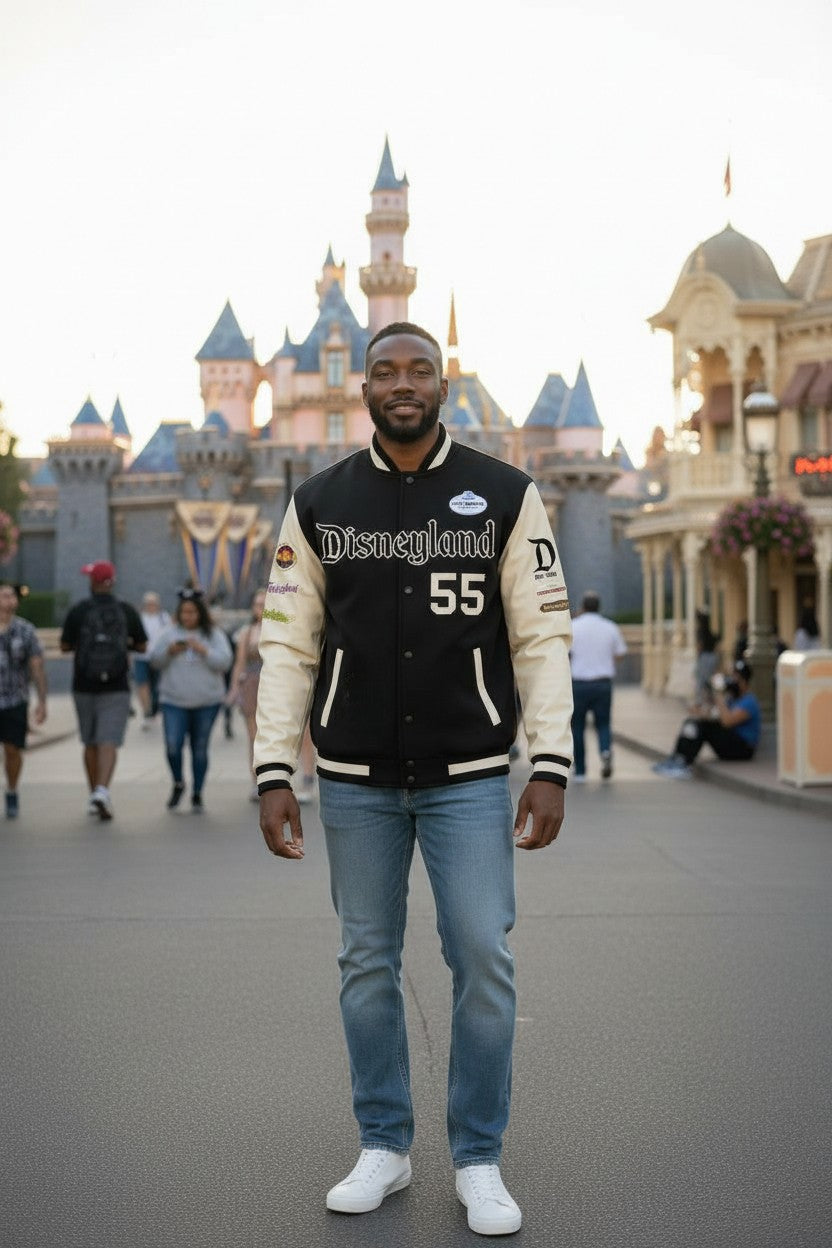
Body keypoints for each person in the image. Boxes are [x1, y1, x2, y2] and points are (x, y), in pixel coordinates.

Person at [255, 322, 574, 1236]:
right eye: (385, 369)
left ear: (445, 381)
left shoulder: (507, 494)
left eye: (419, 369)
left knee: (482, 955)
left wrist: (549, 763)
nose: (403, 382)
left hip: (469, 773)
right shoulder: (317, 502)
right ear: (361, 386)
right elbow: (286, 643)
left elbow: (542, 640)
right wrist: (274, 767)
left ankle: (478, 1157)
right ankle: (385, 1147)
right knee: (366, 962)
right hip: (352, 778)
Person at [60, 561, 147, 820]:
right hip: (117, 685)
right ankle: (102, 790)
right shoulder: (126, 610)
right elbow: (142, 646)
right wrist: (122, 645)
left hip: (83, 685)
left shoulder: (79, 610)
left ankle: (93, 794)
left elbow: (64, 646)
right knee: (108, 740)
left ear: (92, 582)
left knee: (90, 741)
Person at [149, 588, 232, 811]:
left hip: (206, 702)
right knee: (173, 746)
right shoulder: (169, 633)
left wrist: (203, 650)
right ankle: (178, 782)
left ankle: (197, 792)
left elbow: (225, 662)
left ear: (200, 613)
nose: (188, 617)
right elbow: (154, 660)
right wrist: (169, 651)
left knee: (200, 747)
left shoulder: (213, 634)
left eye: (192, 612)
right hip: (173, 701)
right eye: (184, 612)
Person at [652, 659, 761, 779]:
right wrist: (699, 712)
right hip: (730, 743)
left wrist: (719, 695)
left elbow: (727, 721)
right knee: (692, 723)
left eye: (735, 678)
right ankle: (678, 758)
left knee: (703, 726)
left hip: (742, 750)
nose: (731, 681)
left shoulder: (750, 702)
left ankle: (685, 764)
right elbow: (715, 715)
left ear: (744, 681)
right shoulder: (732, 699)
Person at [0, 582, 48, 817]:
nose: (8, 599)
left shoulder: (25, 630)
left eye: (11, 595)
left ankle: (11, 790)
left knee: (12, 750)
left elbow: (37, 665)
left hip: (15, 699)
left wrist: (42, 701)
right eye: (3, 595)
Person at [568, 590, 627, 781]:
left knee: (577, 726)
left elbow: (565, 653)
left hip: (578, 684)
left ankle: (581, 771)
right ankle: (605, 751)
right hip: (603, 683)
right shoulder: (610, 627)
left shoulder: (573, 627)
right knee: (603, 724)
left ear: (583, 606)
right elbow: (619, 654)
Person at [227, 587, 268, 801]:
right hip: (252, 684)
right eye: (257, 605)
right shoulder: (247, 631)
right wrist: (234, 689)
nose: (260, 609)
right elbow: (239, 662)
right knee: (254, 736)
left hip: (274, 684)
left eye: (264, 604)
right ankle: (256, 781)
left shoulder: (281, 626)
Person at [133, 591, 171, 726]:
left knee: (157, 686)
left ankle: (155, 708)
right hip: (141, 656)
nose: (151, 606)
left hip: (158, 657)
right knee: (142, 683)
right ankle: (146, 712)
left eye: (153, 604)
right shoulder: (140, 618)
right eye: (148, 604)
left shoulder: (164, 618)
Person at [693, 608, 721, 704]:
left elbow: (699, 646)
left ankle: (700, 701)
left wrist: (698, 656)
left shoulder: (701, 631)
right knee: (709, 679)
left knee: (701, 680)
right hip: (712, 656)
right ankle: (711, 699)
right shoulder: (708, 630)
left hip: (705, 656)